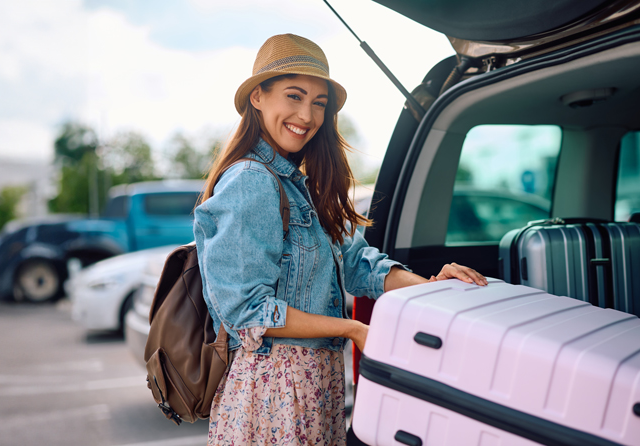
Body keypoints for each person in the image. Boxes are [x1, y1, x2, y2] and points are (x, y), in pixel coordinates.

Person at [194, 34, 487, 445]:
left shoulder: (302, 185)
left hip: (316, 384)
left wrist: (433, 288)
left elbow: (357, 263)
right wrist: (351, 328)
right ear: (257, 97)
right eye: (294, 96)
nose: (307, 115)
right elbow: (247, 311)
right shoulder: (250, 182)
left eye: (319, 102)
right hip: (273, 392)